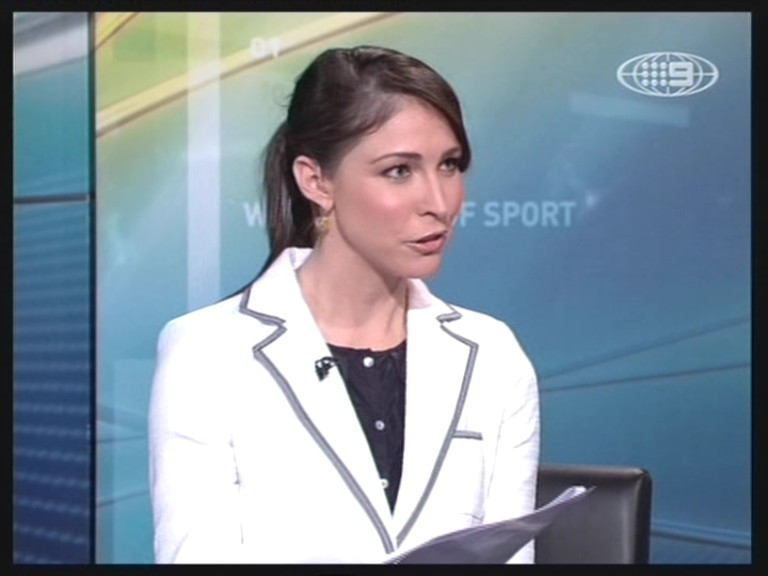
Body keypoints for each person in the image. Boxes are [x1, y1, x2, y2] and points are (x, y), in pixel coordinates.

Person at [148, 45, 540, 564]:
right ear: (316, 181)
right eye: (399, 171)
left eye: (449, 165)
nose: (439, 203)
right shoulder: (208, 352)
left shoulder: (492, 355)